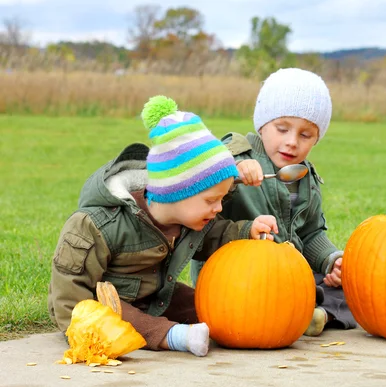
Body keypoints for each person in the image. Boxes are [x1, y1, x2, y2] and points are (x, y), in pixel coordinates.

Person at [47, 95, 278, 357]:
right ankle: (171, 336)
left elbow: (216, 235)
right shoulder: (99, 225)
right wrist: (84, 328)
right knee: (120, 314)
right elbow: (69, 290)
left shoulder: (188, 219)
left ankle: (246, 324)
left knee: (208, 305)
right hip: (105, 302)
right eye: (212, 200)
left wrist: (249, 230)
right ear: (176, 192)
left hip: (157, 296)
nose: (219, 208)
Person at [190, 68, 357, 336]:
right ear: (262, 125)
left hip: (287, 277)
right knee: (269, 298)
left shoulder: (305, 178)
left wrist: (330, 260)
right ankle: (305, 312)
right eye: (282, 129)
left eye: (305, 135)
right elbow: (209, 167)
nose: (292, 142)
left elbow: (311, 233)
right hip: (235, 280)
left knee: (358, 289)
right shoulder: (236, 151)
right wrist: (237, 169)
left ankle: (319, 315)